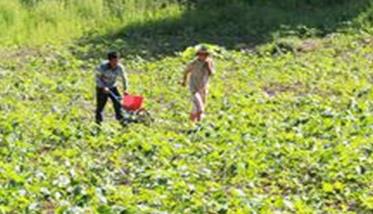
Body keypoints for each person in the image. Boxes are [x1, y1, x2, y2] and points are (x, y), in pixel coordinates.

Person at [181, 45, 215, 123]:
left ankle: (192, 123)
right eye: (200, 54)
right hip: (194, 87)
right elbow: (186, 71)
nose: (202, 56)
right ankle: (200, 124)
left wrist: (208, 66)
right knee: (200, 108)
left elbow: (212, 74)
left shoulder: (209, 62)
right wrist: (184, 81)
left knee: (195, 107)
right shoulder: (193, 63)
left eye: (205, 55)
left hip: (203, 88)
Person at [95, 51, 128, 125]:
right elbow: (97, 78)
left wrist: (125, 89)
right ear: (109, 61)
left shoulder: (120, 67)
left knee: (118, 103)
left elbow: (124, 78)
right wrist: (104, 87)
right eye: (113, 61)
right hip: (101, 88)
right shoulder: (102, 67)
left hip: (112, 86)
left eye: (117, 61)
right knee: (100, 106)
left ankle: (121, 120)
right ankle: (98, 123)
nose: (115, 63)